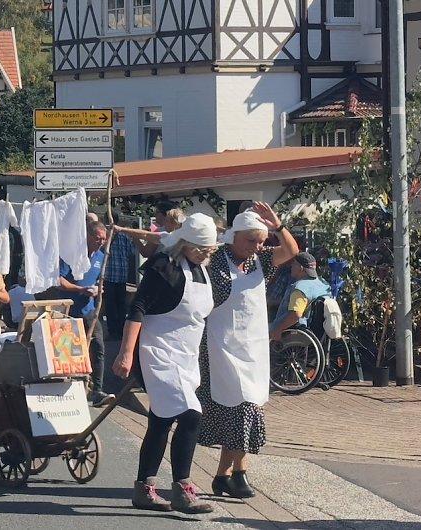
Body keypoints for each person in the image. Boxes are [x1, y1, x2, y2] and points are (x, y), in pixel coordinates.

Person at [112, 213, 219, 514]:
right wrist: (125, 353)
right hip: (158, 353)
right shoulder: (164, 267)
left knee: (161, 420)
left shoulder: (202, 270)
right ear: (184, 242)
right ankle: (183, 490)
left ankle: (143, 489)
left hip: (185, 356)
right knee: (190, 415)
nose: (205, 254)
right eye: (201, 248)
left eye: (210, 250)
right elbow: (138, 309)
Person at [197, 203, 298, 498]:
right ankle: (239, 474)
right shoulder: (215, 261)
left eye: (260, 241)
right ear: (234, 236)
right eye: (250, 240)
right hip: (221, 346)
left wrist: (278, 226)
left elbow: (291, 250)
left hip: (253, 349)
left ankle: (222, 476)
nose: (255, 246)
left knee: (247, 408)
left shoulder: (262, 261)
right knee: (241, 409)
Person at [58, 220, 115, 407]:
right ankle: (69, 388)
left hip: (90, 310)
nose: (100, 242)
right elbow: (59, 281)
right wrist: (79, 289)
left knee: (98, 346)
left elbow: (99, 279)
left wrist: (99, 290)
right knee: (70, 351)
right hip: (69, 311)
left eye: (103, 239)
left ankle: (97, 390)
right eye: (98, 238)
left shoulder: (100, 256)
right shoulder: (73, 256)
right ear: (88, 236)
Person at [270, 252, 331, 340]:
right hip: (317, 331)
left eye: (294, 263)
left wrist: (278, 330)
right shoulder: (323, 285)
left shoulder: (300, 288)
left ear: (301, 268)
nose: (291, 266)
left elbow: (295, 315)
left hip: (293, 333)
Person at [103, 221, 138, 340]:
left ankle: (113, 332)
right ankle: (121, 331)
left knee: (110, 305)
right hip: (122, 274)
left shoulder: (107, 235)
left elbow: (103, 250)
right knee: (121, 305)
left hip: (109, 274)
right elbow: (131, 253)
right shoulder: (124, 236)